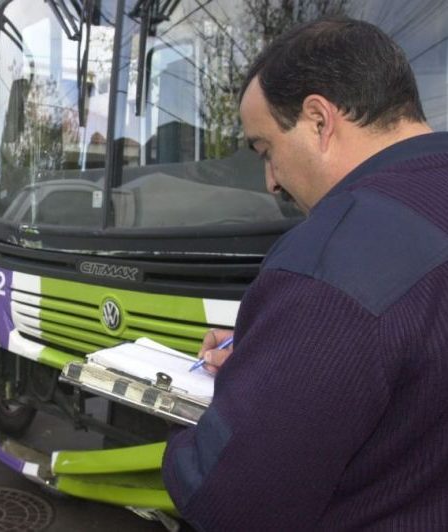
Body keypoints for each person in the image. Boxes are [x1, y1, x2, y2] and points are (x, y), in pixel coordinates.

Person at [161, 16, 448, 530]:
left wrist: (188, 441)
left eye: (266, 150)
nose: (270, 181)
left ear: (319, 120)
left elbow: (233, 500)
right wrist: (277, 350)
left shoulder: (337, 254)